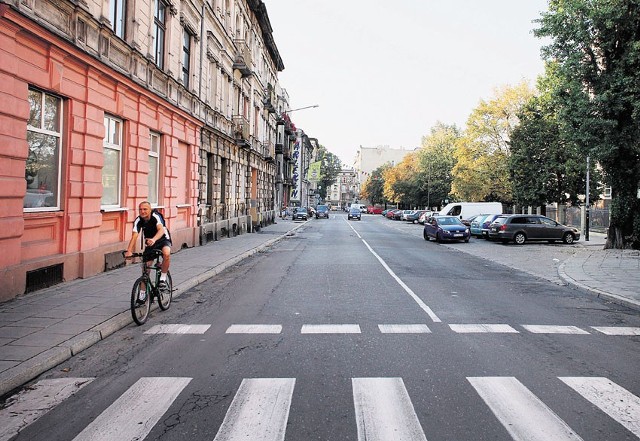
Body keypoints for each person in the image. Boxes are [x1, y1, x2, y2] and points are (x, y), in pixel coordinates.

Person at [124, 201, 172, 295]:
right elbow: (134, 236)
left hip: (162, 239)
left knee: (166, 253)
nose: (142, 211)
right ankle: (142, 295)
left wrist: (154, 239)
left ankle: (162, 278)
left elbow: (161, 230)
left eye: (145, 209)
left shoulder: (156, 216)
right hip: (150, 243)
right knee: (146, 270)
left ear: (150, 210)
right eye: (140, 209)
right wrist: (129, 251)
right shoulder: (138, 220)